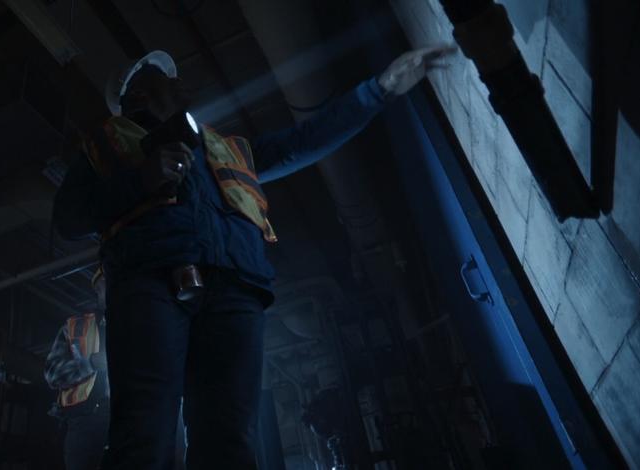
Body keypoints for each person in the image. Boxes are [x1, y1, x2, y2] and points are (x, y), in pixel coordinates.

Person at [52, 46, 453, 469]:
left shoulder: (225, 149)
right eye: (158, 77)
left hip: (234, 289)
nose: (174, 83)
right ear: (134, 96)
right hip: (149, 280)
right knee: (145, 430)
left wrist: (381, 89)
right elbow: (69, 220)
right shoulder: (108, 146)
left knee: (230, 435)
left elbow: (302, 142)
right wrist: (143, 177)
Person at [44, 268, 110, 470]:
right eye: (100, 289)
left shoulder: (141, 325)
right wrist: (89, 364)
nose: (103, 293)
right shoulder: (76, 327)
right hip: (84, 422)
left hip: (127, 421)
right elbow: (52, 373)